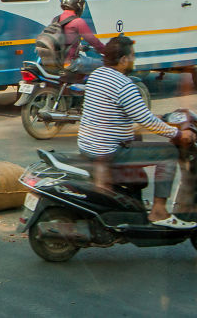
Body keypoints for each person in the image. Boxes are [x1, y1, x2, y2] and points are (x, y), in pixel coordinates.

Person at [77, 36, 196, 229]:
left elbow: (135, 113)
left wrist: (161, 118)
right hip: (109, 150)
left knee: (137, 137)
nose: (134, 60)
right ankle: (158, 210)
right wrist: (178, 135)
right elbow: (147, 121)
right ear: (123, 59)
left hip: (88, 144)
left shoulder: (98, 75)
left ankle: (134, 201)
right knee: (169, 153)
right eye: (132, 56)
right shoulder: (124, 85)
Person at [57, 0, 106, 75]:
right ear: (78, 6)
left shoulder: (56, 19)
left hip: (56, 62)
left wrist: (78, 47)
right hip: (71, 63)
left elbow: (63, 41)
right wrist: (108, 51)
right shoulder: (77, 21)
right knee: (103, 65)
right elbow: (94, 42)